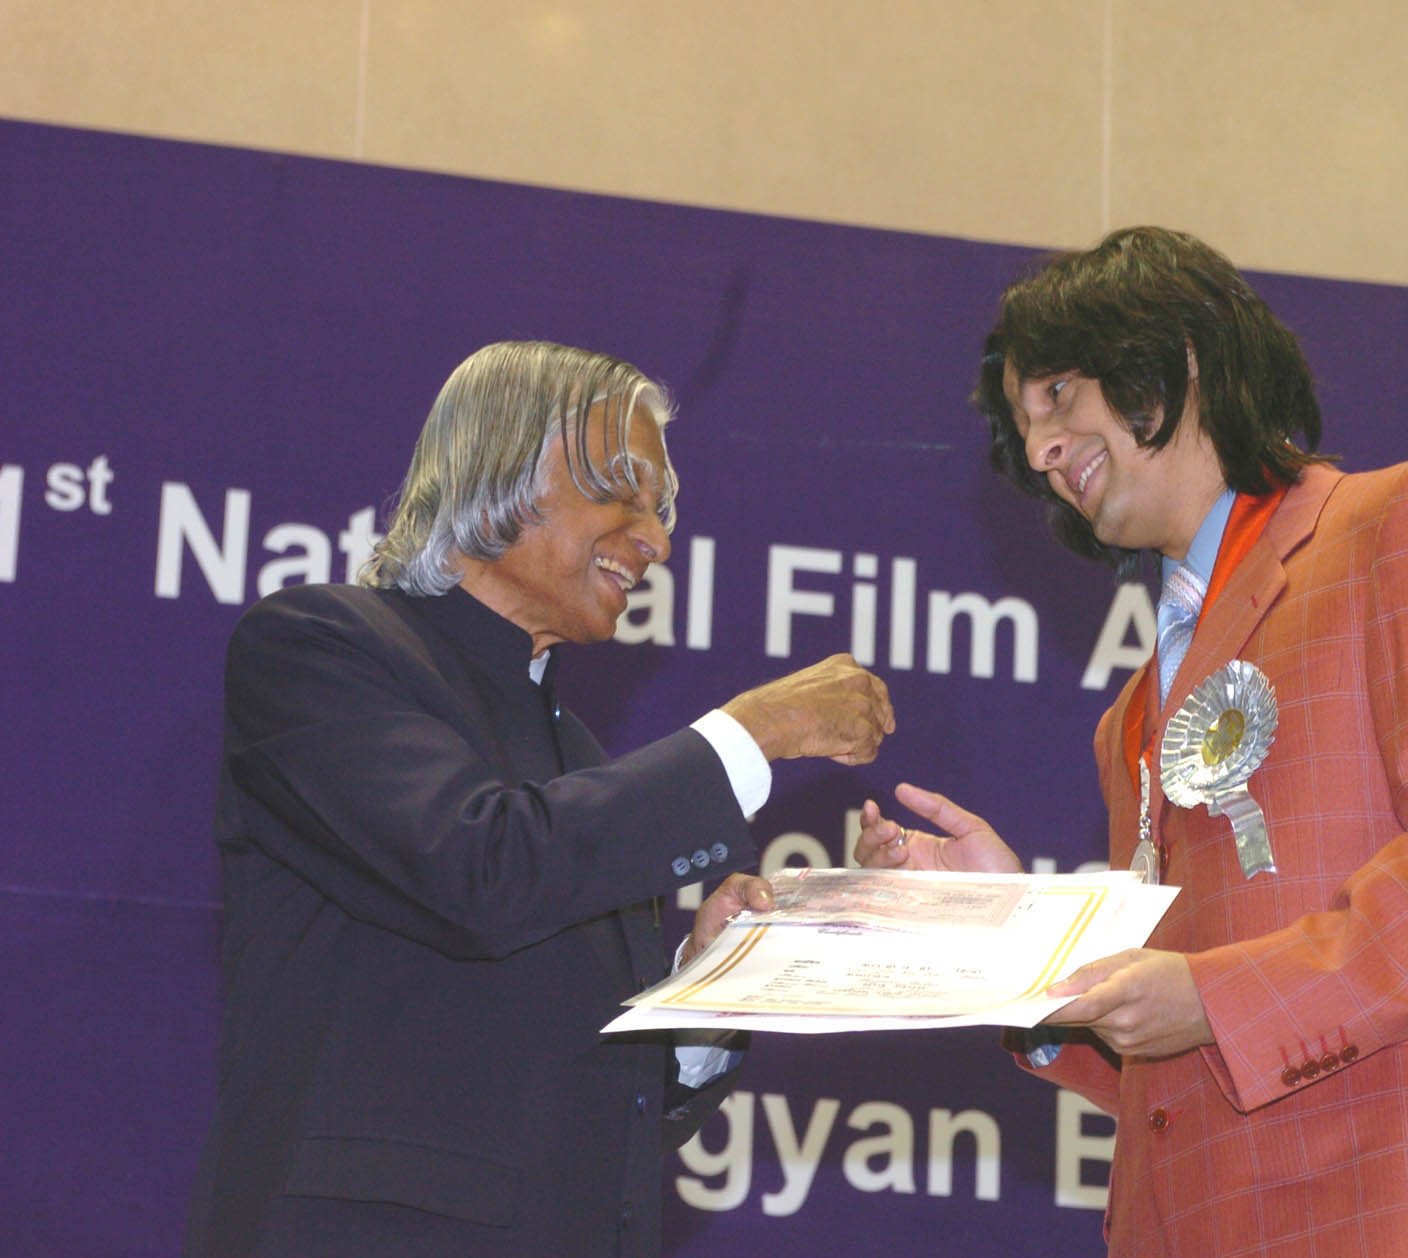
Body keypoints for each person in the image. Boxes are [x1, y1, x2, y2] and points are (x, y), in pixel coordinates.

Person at [856, 228, 1408, 1257]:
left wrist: (1214, 998)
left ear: (1175, 358)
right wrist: (1009, 939)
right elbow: (1169, 1063)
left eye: (1056, 397)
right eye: (1021, 428)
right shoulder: (1130, 714)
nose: (1038, 452)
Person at [185, 340, 894, 1258]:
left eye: (660, 507)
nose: (657, 539)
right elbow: (480, 871)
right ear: (502, 472)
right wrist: (752, 733)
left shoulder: (577, 761)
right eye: (625, 491)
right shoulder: (318, 650)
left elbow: (603, 1099)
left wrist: (704, 991)